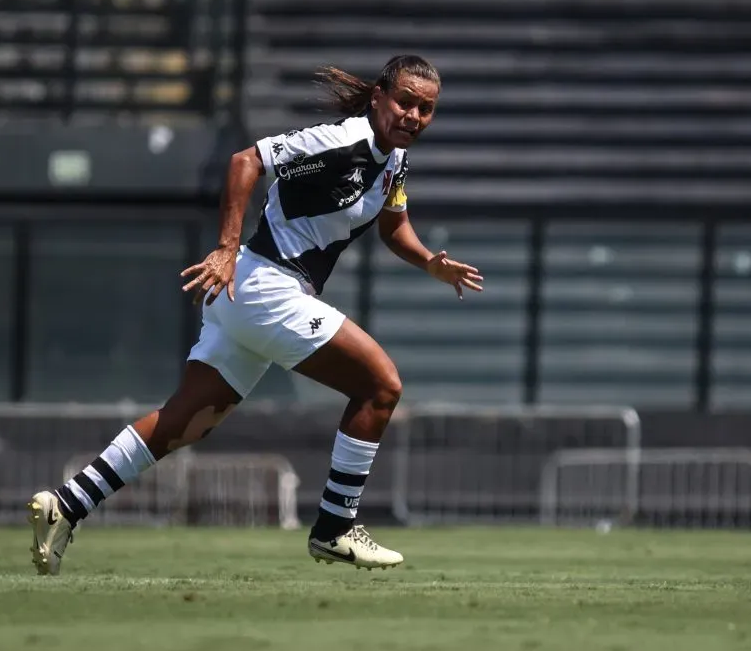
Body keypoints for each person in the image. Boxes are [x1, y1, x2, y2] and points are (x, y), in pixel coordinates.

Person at [26, 55, 483, 575]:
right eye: (405, 102)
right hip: (264, 285)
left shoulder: (395, 160)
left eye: (426, 108)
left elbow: (394, 225)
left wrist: (429, 262)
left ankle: (66, 505)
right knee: (381, 385)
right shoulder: (341, 141)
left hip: (251, 295)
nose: (414, 116)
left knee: (184, 423)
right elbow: (245, 161)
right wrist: (225, 248)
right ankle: (335, 528)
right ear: (379, 96)